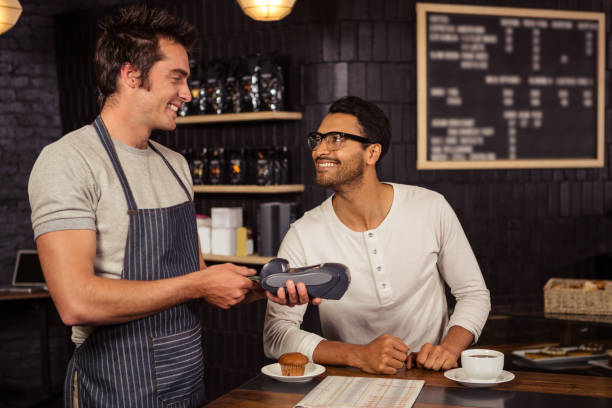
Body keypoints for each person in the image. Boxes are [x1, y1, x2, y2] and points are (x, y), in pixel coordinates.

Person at [28, 6, 281, 407]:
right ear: (131, 75)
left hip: (186, 375)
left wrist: (266, 290)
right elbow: (76, 302)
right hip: (114, 384)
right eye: (176, 78)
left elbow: (193, 282)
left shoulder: (175, 164)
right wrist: (198, 283)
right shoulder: (68, 161)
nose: (188, 94)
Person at [263, 96, 491, 374]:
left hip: (431, 377)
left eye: (335, 139)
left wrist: (448, 349)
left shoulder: (430, 207)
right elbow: (276, 335)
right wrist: (358, 355)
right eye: (318, 139)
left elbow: (473, 294)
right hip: (349, 383)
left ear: (372, 153)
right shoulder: (304, 233)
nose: (319, 150)